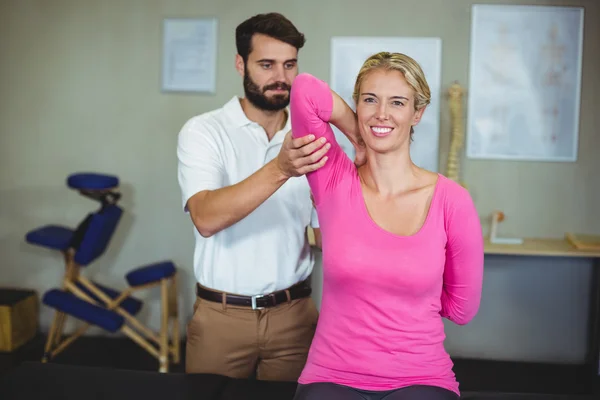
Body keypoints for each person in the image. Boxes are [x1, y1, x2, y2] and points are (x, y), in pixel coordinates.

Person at [288, 52, 484, 399]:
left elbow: (462, 310)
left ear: (417, 113)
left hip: (421, 377)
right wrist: (356, 136)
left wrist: (396, 281)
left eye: (397, 102)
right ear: (357, 106)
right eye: (370, 100)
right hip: (331, 375)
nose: (381, 113)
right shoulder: (333, 179)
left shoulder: (452, 200)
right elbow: (304, 90)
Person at [176, 12, 339, 381]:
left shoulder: (313, 138)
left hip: (295, 315)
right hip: (221, 317)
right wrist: (281, 168)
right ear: (240, 64)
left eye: (289, 65)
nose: (280, 77)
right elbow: (205, 217)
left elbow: (325, 239)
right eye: (266, 64)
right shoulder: (204, 131)